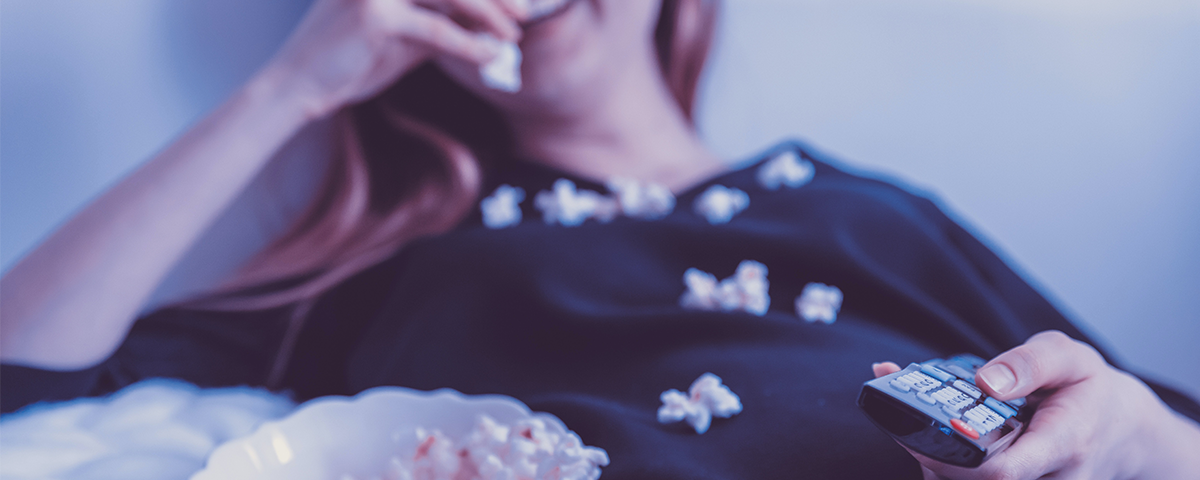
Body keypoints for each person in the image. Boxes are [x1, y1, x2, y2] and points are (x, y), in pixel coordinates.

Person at [2, 0, 1198, 478]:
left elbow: (1155, 426)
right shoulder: (402, 259)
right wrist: (294, 87)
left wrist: (1138, 436)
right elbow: (22, 380)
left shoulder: (866, 211)